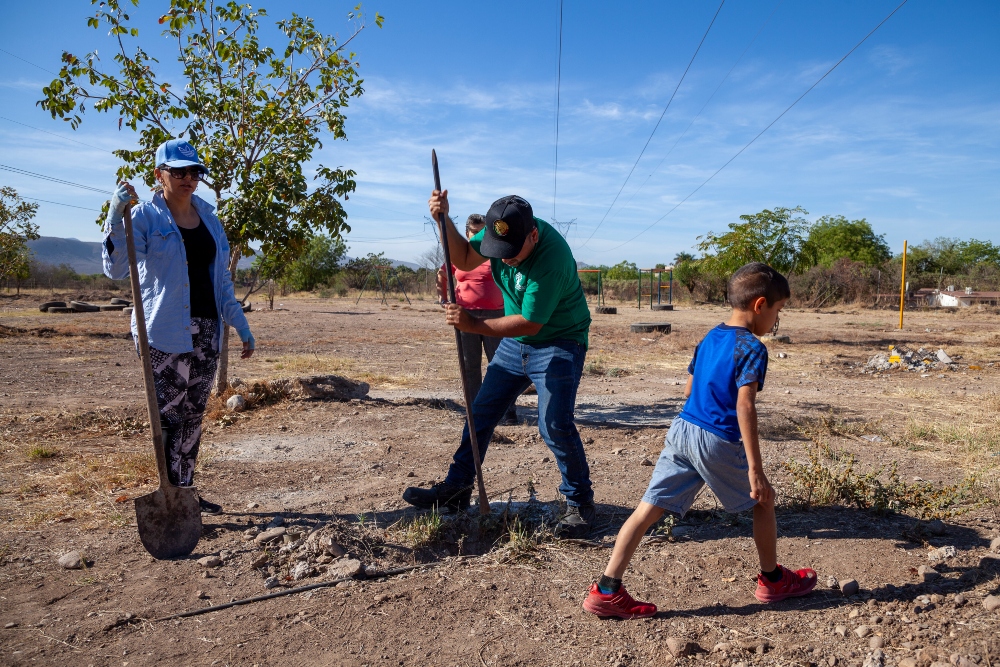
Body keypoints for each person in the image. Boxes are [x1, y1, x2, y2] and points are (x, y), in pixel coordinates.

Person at [582, 262, 816, 619]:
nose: (776, 321)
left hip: (683, 428)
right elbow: (745, 405)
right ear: (760, 305)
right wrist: (756, 469)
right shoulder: (751, 347)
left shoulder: (710, 337)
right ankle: (772, 580)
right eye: (778, 312)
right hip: (716, 437)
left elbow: (691, 387)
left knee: (648, 508)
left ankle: (607, 589)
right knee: (763, 501)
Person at [404, 192, 596, 538]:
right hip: (515, 344)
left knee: (554, 424)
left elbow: (531, 322)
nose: (504, 260)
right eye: (498, 250)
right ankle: (457, 490)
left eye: (511, 253)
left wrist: (474, 325)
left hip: (559, 342)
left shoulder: (551, 257)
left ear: (533, 236)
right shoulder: (499, 231)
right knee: (480, 414)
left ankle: (580, 504)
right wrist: (442, 219)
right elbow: (462, 257)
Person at [102, 139, 255, 515]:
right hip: (163, 331)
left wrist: (240, 325)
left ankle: (185, 492)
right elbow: (116, 269)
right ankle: (166, 492)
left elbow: (222, 283)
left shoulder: (210, 220)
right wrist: (114, 213)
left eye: (195, 172)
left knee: (192, 417)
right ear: (160, 174)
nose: (189, 178)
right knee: (168, 417)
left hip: (206, 332)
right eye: (179, 171)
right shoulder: (143, 217)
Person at [437, 213, 518, 426]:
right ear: (467, 234)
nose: (480, 236)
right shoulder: (458, 257)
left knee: (501, 365)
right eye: (475, 232)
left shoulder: (497, 255)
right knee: (469, 366)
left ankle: (508, 411)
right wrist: (442, 299)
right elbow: (442, 275)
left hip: (496, 317)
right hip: (465, 316)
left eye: (484, 231)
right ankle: (475, 412)